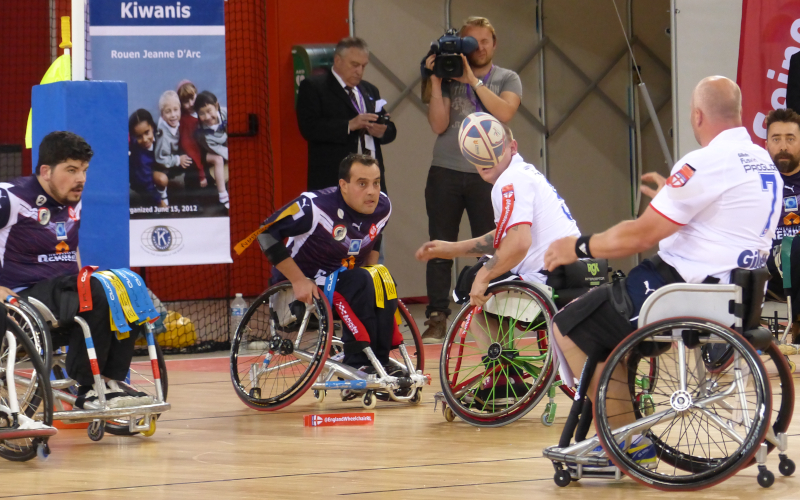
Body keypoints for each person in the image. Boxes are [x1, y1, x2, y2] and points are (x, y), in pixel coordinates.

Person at [543, 76, 781, 440]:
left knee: (569, 327)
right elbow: (720, 222)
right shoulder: (762, 160)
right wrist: (671, 199)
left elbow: (640, 234)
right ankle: (619, 429)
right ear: (739, 113)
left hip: (685, 289)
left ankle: (625, 442)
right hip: (739, 292)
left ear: (697, 116)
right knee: (606, 336)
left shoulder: (705, 162)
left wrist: (577, 246)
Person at [0, 131, 152, 409]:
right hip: (23, 297)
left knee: (124, 284)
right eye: (71, 170)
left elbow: (72, 248)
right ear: (45, 171)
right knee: (98, 288)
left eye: (83, 170)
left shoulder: (72, 199)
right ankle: (88, 385)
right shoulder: (11, 198)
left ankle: (110, 381)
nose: (80, 178)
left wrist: (86, 280)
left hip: (64, 291)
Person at [421, 16, 522, 342]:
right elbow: (438, 125)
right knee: (440, 245)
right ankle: (437, 316)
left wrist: (472, 81)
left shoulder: (507, 77)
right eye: (471, 42)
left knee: (490, 244)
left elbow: (504, 114)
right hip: (446, 171)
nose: (479, 47)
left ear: (494, 44)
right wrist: (436, 81)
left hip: (489, 175)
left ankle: (491, 310)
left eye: (484, 41)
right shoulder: (449, 78)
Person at [416, 119, 579, 306]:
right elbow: (506, 238)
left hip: (551, 276)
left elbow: (518, 243)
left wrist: (484, 276)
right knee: (480, 273)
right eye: (477, 153)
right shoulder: (523, 173)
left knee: (472, 288)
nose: (485, 158)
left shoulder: (510, 180)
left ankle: (493, 335)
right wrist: (452, 249)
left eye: (493, 150)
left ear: (513, 148)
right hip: (574, 269)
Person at [257, 154, 397, 369]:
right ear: (344, 185)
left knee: (381, 279)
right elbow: (265, 234)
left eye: (376, 183)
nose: (371, 191)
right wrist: (299, 280)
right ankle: (358, 363)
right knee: (360, 280)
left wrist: (372, 270)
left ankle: (380, 361)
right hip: (299, 291)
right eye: (362, 183)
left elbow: (375, 235)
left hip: (344, 281)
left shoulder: (382, 206)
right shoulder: (314, 206)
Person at [296, 37, 397, 192]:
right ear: (338, 60)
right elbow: (309, 127)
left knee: (373, 215)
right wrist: (349, 125)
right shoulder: (314, 87)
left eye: (364, 66)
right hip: (334, 178)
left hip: (371, 178)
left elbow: (390, 129)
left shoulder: (370, 90)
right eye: (354, 65)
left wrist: (383, 131)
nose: (359, 71)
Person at [764, 108, 800, 343]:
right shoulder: (755, 180)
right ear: (766, 143)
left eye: (790, 139)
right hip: (766, 258)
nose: (783, 146)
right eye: (776, 139)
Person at [154, 90, 192, 205]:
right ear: (162, 115)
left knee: (191, 160)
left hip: (174, 156)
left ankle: (192, 193)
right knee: (163, 176)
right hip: (162, 164)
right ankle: (162, 191)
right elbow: (160, 159)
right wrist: (177, 160)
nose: (173, 115)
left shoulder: (178, 124)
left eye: (176, 110)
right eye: (168, 111)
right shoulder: (163, 134)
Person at [194, 90, 230, 209]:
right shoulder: (203, 134)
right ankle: (223, 195)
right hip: (206, 152)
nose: (207, 117)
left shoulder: (226, 113)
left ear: (216, 106)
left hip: (223, 144)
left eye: (209, 111)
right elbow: (217, 150)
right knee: (218, 159)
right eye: (202, 113)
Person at [128, 109, 168, 208]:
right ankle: (160, 196)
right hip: (140, 178)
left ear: (152, 127)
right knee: (162, 179)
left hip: (154, 167)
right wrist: (159, 201)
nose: (145, 139)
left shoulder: (160, 135)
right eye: (139, 136)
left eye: (147, 132)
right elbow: (146, 182)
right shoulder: (140, 156)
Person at [177, 80, 207, 188]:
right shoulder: (185, 121)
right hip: (193, 159)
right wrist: (201, 174)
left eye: (192, 98)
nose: (190, 104)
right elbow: (191, 148)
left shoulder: (204, 112)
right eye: (186, 101)